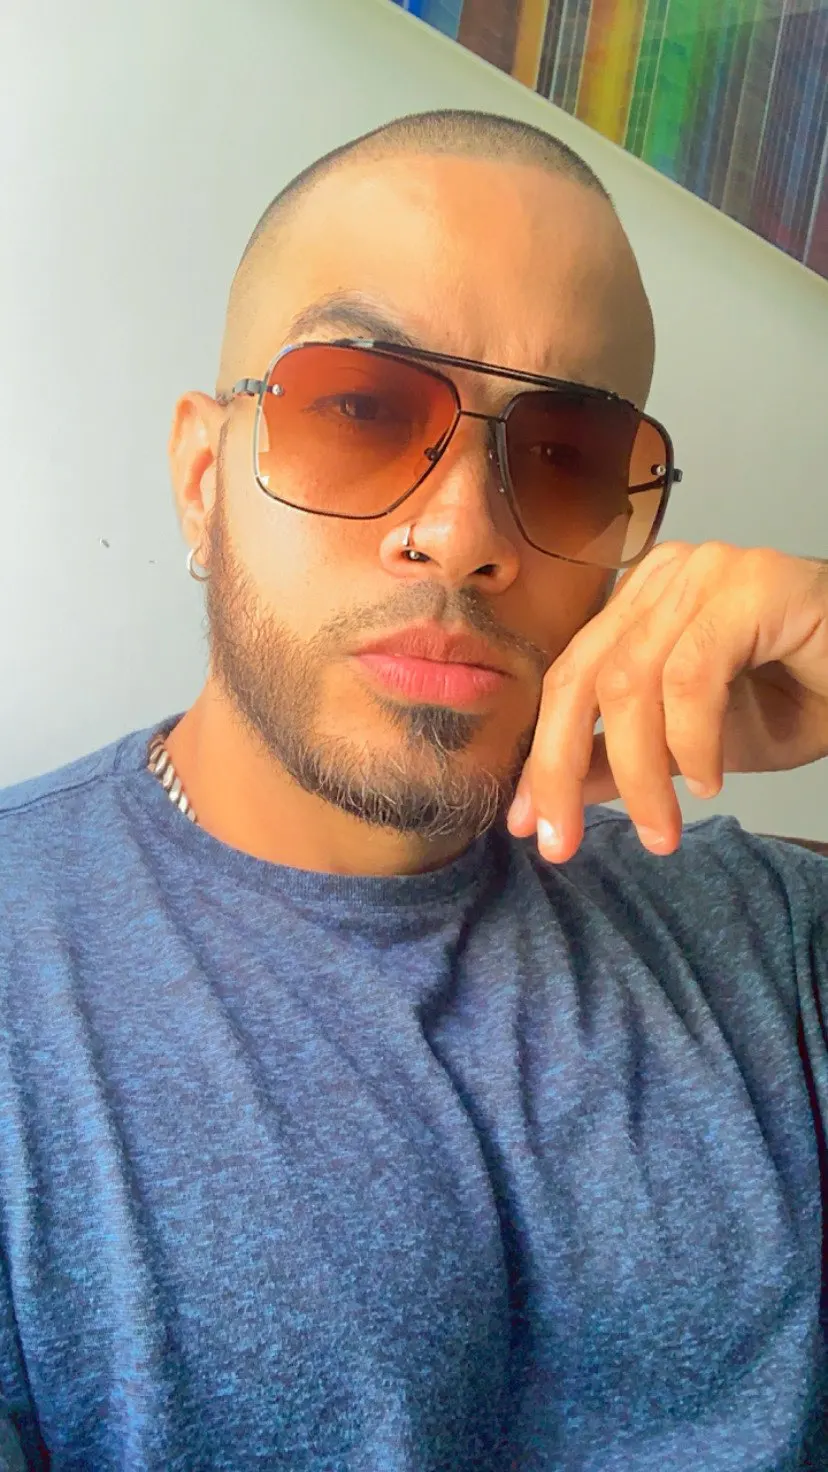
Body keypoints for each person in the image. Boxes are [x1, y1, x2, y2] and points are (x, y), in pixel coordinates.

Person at [0, 109, 826, 1471]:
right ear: (204, 481)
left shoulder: (762, 940)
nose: (463, 534)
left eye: (565, 455)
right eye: (361, 410)